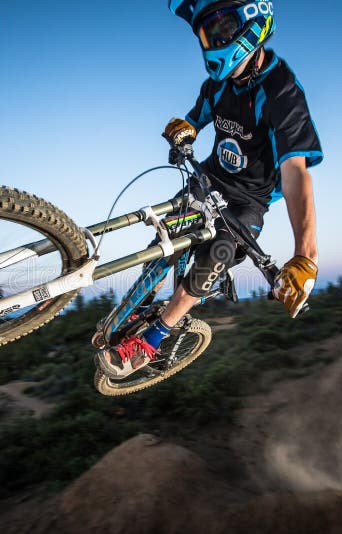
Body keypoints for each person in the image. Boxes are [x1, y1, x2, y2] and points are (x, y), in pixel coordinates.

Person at [97, 0, 323, 378]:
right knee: (169, 233)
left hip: (248, 201)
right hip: (208, 179)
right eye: (205, 33)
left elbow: (295, 173)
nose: (211, 41)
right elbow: (195, 117)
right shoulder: (217, 85)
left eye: (220, 30)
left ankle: (153, 337)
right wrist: (184, 128)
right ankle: (139, 303)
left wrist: (306, 256)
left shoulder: (282, 90)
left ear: (253, 24)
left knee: (217, 252)